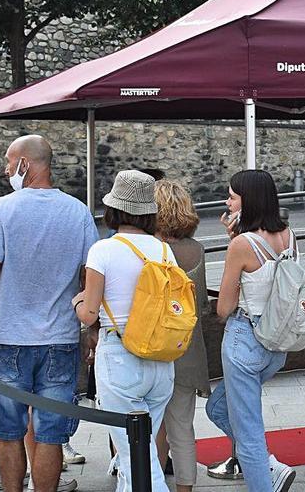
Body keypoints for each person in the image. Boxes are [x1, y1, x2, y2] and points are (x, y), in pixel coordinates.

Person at [0, 135, 97, 492]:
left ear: (25, 164)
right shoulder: (77, 211)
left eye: (9, 161)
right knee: (50, 434)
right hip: (60, 338)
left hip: (11, 337)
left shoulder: (3, 209)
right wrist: (92, 328)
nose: (5, 168)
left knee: (7, 430)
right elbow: (90, 275)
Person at [73, 170, 176, 492]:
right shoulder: (162, 250)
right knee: (139, 454)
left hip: (120, 357)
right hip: (161, 357)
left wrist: (77, 300)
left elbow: (89, 313)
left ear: (114, 210)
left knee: (134, 457)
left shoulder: (103, 250)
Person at [204, 169, 297, 492]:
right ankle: (271, 464)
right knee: (217, 407)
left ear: (248, 200)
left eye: (231, 196)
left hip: (245, 339)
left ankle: (266, 473)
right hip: (276, 341)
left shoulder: (242, 245)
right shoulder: (287, 234)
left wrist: (234, 241)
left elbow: (224, 307)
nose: (226, 202)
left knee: (248, 434)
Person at [152, 180, 211, 492]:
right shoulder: (197, 250)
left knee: (152, 430)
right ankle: (185, 489)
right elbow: (201, 303)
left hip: (152, 351)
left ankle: (155, 483)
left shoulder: (150, 250)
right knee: (182, 428)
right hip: (187, 350)